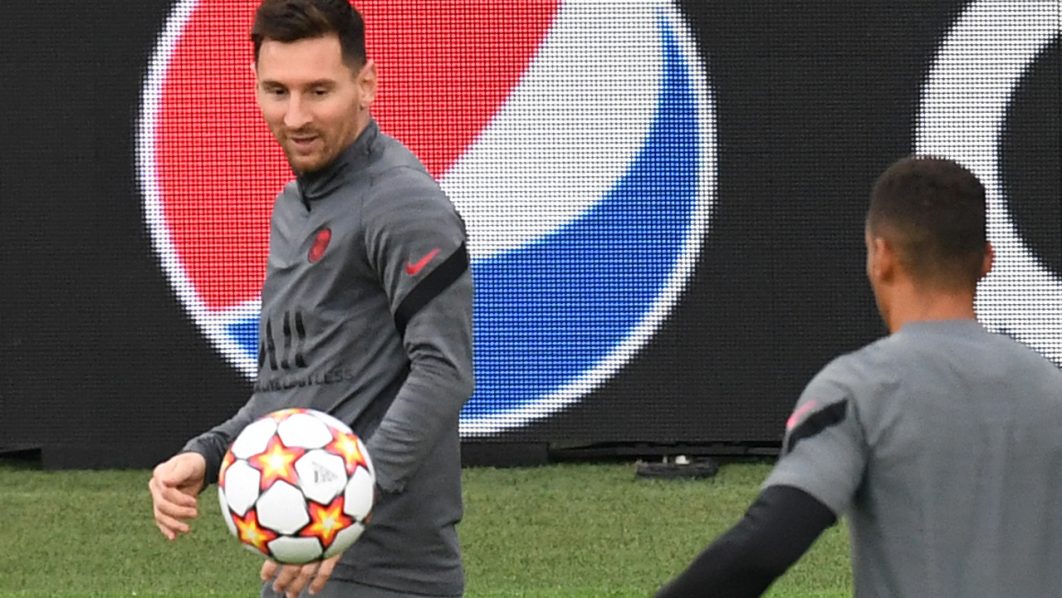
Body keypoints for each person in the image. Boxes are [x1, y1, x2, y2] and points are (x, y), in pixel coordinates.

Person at [148, 1, 475, 596]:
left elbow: (443, 371)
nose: (295, 116)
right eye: (277, 91)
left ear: (365, 84)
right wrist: (209, 455)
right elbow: (291, 391)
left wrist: (349, 505)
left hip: (390, 577)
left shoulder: (401, 202)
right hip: (301, 560)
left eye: (318, 91)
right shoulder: (292, 207)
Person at [657, 156, 1062, 597]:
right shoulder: (1051, 387)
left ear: (882, 256)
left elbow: (766, 544)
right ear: (987, 260)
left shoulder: (858, 390)